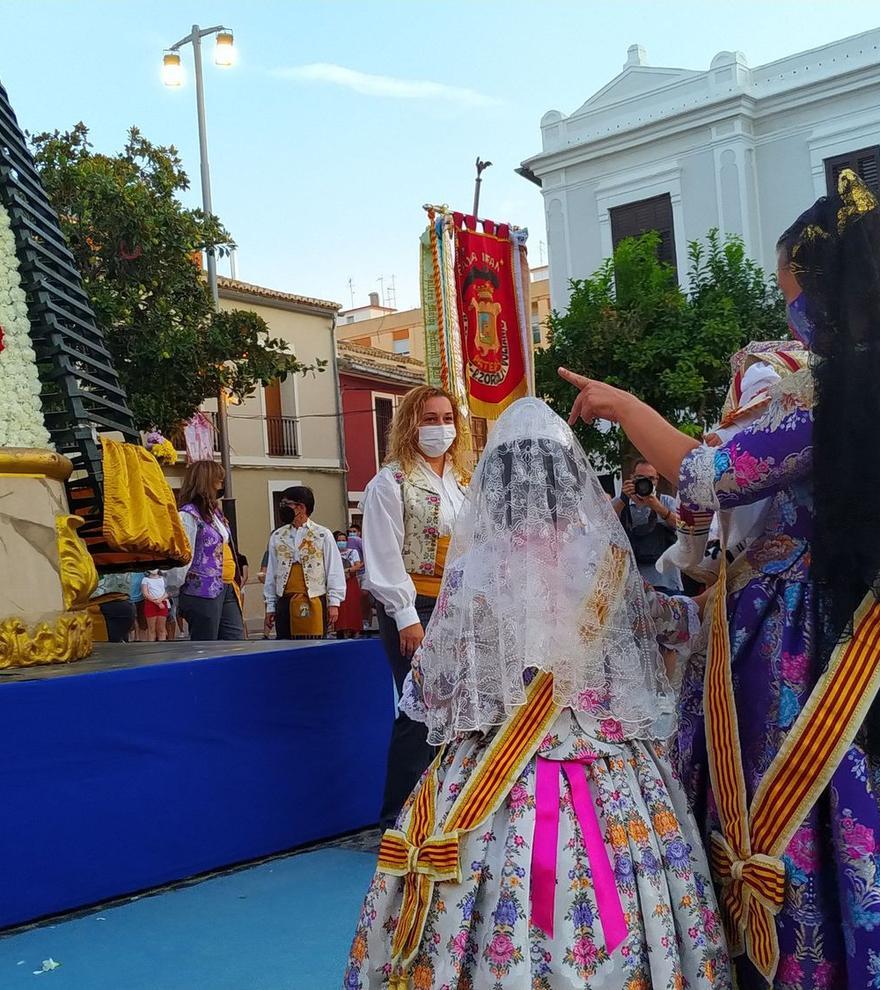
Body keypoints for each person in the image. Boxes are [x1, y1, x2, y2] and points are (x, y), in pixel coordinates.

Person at [557, 169, 880, 989]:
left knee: (801, 809)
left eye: (792, 294)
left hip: (815, 639)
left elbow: (708, 476)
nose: (789, 317)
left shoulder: (840, 396)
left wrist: (625, 406)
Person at [345, 398, 729, 990]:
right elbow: (670, 627)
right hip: (605, 763)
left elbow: (431, 685)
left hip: (492, 767)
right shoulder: (602, 562)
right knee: (637, 886)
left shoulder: (475, 568)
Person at [361, 384, 470, 828]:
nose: (440, 427)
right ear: (410, 424)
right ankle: (397, 817)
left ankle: (442, 807)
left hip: (459, 605)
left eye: (447, 418)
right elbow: (383, 555)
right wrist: (406, 616)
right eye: (429, 418)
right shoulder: (390, 482)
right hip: (417, 606)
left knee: (458, 707)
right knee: (419, 706)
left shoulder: (463, 483)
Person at [166, 461, 244, 642]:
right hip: (201, 590)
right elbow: (183, 556)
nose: (221, 484)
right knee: (207, 644)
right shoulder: (188, 515)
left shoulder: (215, 514)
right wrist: (173, 589)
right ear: (207, 482)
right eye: (218, 480)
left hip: (226, 587)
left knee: (235, 640)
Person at [263, 486, 345, 640]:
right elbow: (272, 572)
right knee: (285, 646)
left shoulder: (322, 534)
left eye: (286, 504)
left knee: (314, 646)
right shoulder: (277, 536)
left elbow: (334, 569)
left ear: (301, 507)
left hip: (313, 598)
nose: (282, 507)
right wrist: (270, 605)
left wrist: (334, 602)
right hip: (285, 601)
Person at [612, 459, 681, 594]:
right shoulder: (620, 502)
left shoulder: (666, 501)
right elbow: (602, 526)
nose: (646, 483)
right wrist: (623, 500)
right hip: (631, 584)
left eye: (651, 479)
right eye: (640, 478)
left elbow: (685, 527)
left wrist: (658, 508)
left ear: (657, 480)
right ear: (632, 479)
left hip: (665, 580)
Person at [334, 530, 364, 638]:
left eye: (343, 540)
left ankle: (355, 629)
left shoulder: (353, 552)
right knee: (341, 606)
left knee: (353, 605)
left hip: (351, 581)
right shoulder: (333, 553)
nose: (341, 542)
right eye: (339, 540)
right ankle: (341, 629)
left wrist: (347, 570)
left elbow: (358, 565)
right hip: (338, 582)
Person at [141, 570, 170, 642]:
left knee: (161, 629)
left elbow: (168, 592)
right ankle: (151, 648)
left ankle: (162, 647)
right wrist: (157, 602)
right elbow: (145, 593)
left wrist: (160, 600)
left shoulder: (163, 578)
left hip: (162, 603)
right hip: (150, 604)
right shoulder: (145, 579)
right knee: (151, 629)